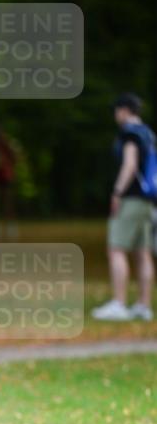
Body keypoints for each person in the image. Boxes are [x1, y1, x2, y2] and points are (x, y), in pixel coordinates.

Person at [92, 93, 155, 321]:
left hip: (131, 198)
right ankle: (143, 305)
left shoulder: (129, 133)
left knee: (116, 249)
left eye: (117, 110)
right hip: (148, 199)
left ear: (125, 110)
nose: (115, 115)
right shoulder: (148, 133)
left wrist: (118, 192)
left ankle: (119, 303)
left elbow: (129, 165)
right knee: (143, 252)